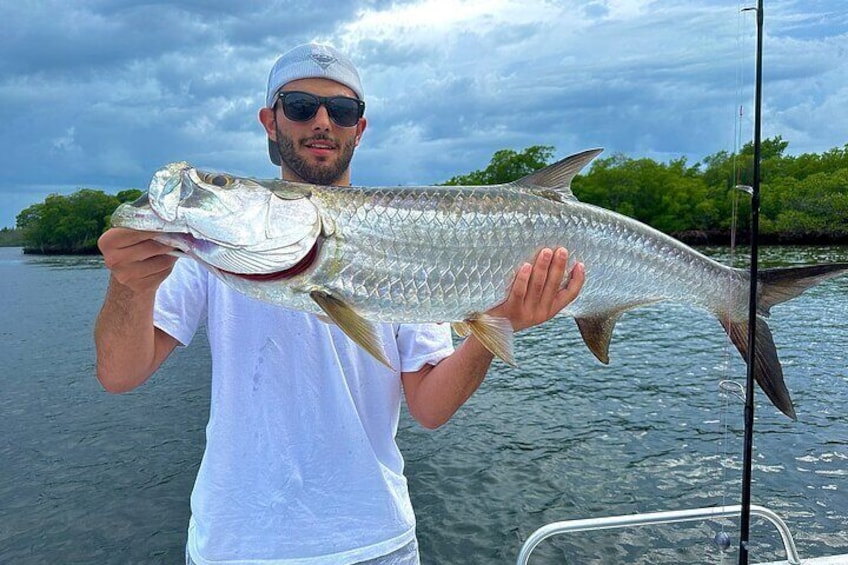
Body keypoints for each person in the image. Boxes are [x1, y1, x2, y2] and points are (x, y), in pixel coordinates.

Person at [94, 43, 585, 565]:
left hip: (377, 544)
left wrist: (500, 321)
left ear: (360, 127)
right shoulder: (210, 248)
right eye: (301, 106)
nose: (322, 121)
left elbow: (430, 406)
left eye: (342, 110)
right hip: (236, 548)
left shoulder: (408, 237)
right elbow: (119, 375)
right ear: (270, 120)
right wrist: (130, 285)